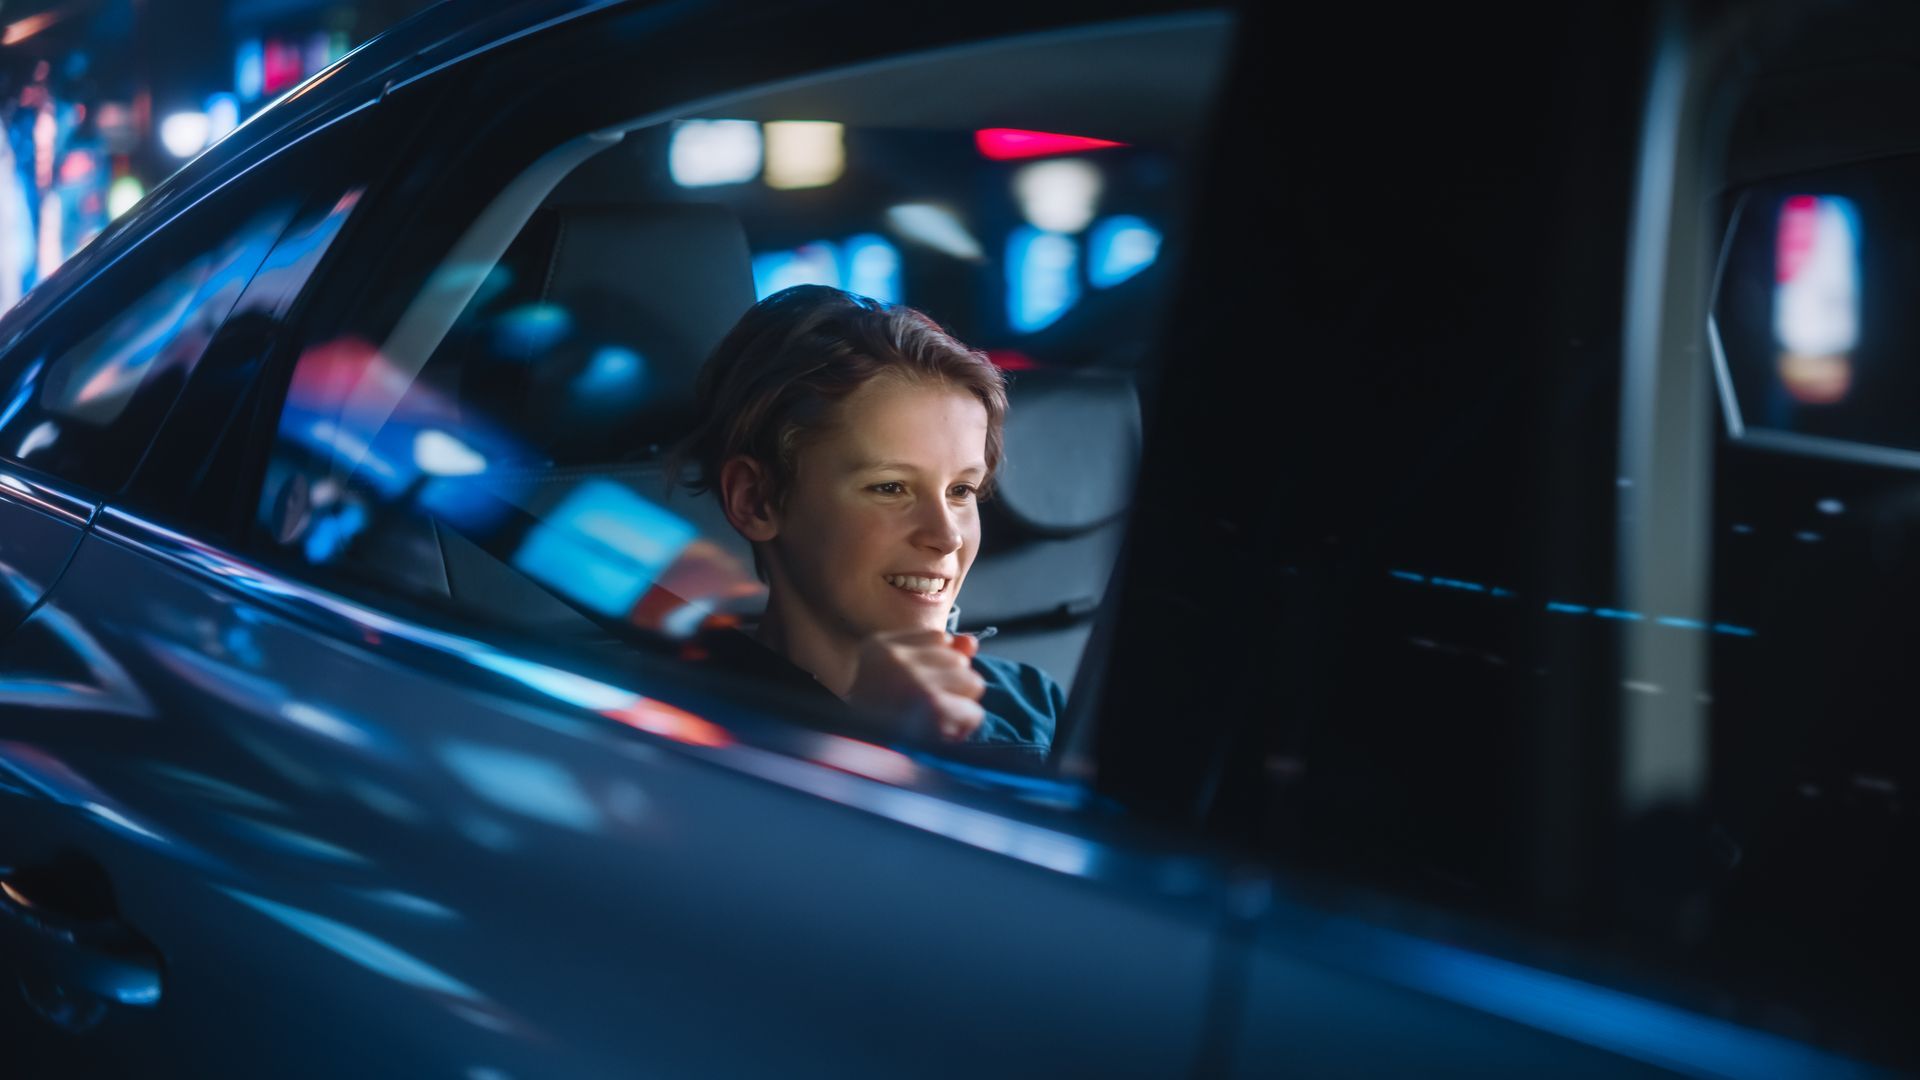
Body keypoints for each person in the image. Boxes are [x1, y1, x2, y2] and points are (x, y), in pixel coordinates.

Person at [674, 285, 1061, 759]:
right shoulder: (680, 728)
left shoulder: (1037, 707)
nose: (946, 537)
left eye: (962, 491)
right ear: (757, 501)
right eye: (890, 487)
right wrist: (873, 744)